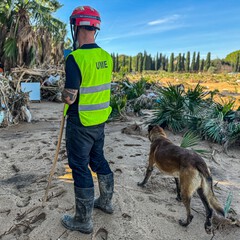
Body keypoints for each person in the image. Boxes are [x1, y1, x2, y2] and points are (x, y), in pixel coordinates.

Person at [61, 6, 114, 234]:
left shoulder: (75, 58)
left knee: (79, 167)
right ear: (95, 28)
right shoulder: (106, 57)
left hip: (80, 122)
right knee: (98, 160)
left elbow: (70, 97)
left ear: (76, 26)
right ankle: (105, 202)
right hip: (99, 122)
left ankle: (83, 221)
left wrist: (62, 94)